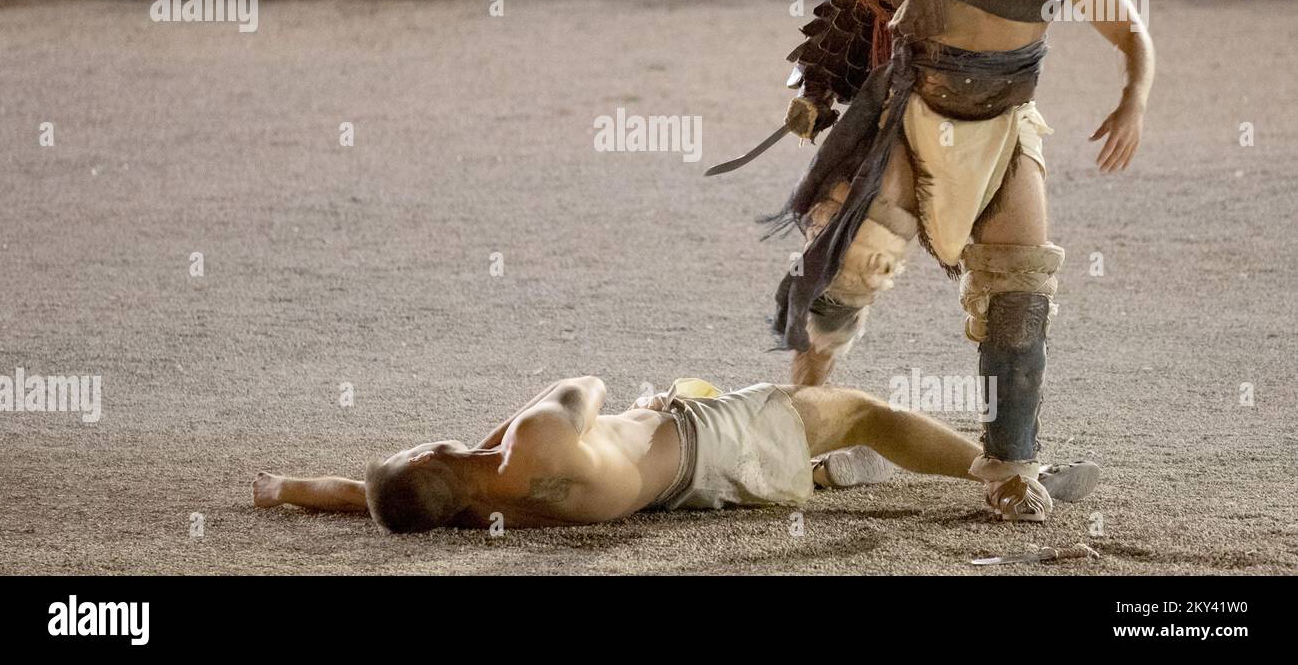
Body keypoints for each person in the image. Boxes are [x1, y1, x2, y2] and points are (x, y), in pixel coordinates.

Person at [713, 0, 1152, 522]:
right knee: (852, 268)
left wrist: (1134, 97)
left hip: (1005, 131)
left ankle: (1011, 465)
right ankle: (799, 417)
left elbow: (1131, 34)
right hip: (912, 118)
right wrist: (815, 87)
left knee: (1019, 289)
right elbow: (852, 9)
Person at [252, 375, 1100, 529]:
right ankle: (1004, 471)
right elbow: (586, 379)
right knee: (863, 411)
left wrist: (289, 488)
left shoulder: (474, 512)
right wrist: (502, 430)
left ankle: (824, 470)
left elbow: (365, 497)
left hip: (686, 487)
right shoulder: (535, 440)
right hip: (706, 437)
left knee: (817, 441)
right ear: (436, 452)